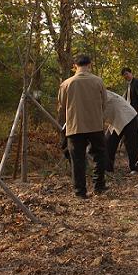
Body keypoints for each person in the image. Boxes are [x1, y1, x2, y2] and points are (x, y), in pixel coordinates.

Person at [58, 54, 108, 198]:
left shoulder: (66, 84)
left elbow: (62, 105)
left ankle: (80, 191)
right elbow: (104, 102)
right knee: (99, 155)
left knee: (77, 159)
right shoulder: (98, 81)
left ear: (74, 66)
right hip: (95, 125)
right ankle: (99, 186)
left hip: (75, 125)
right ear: (90, 64)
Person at [104, 90, 138, 173]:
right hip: (116, 119)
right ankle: (107, 168)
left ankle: (135, 168)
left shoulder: (101, 93)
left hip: (128, 116)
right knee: (108, 142)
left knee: (131, 144)